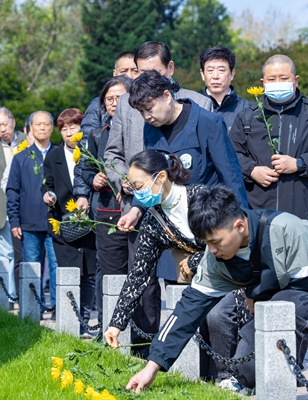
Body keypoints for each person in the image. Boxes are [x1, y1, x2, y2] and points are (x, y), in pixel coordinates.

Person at [122, 185, 308, 393]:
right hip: (269, 309)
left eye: (215, 242)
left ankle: (285, 380)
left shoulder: (289, 230)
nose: (210, 251)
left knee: (285, 304)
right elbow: (186, 311)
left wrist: (255, 295)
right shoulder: (214, 259)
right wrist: (151, 368)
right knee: (247, 367)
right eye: (206, 244)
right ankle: (242, 379)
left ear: (239, 226)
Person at [102, 41, 213, 348]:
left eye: (153, 72)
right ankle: (142, 346)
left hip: (190, 211)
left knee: (190, 280)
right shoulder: (126, 104)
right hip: (142, 207)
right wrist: (128, 180)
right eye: (139, 73)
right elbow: (112, 152)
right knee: (144, 279)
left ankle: (200, 358)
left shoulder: (198, 105)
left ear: (170, 70)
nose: (144, 81)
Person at [103, 150, 206, 346]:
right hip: (201, 284)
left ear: (161, 177)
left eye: (139, 186)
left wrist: (194, 260)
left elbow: (227, 243)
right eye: (133, 188)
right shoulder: (153, 221)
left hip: (230, 275)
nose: (138, 193)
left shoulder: (199, 197)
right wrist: (116, 325)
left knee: (218, 318)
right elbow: (138, 275)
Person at [229, 54, 308, 223]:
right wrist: (251, 170)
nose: (278, 83)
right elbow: (230, 154)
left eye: (284, 78)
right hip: (256, 218)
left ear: (295, 80)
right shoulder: (247, 117)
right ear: (263, 82)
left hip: (301, 218)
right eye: (272, 79)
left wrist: (299, 164)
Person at [74, 75, 132, 326]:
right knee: (108, 272)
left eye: (119, 97)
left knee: (137, 272)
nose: (114, 102)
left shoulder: (143, 129)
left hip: (138, 209)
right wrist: (93, 179)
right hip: (107, 209)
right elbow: (83, 169)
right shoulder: (97, 135)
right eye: (109, 99)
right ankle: (108, 327)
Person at [43, 108, 97, 337]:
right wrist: (48, 195)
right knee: (69, 272)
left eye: (72, 127)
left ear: (81, 128)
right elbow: (47, 184)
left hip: (92, 223)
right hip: (64, 225)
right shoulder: (53, 157)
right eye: (64, 129)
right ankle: (69, 320)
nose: (68, 132)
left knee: (90, 273)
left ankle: (84, 320)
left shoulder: (91, 151)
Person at [6, 111, 58, 312]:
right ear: (30, 129)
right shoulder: (21, 158)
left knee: (55, 267)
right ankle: (32, 307)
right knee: (31, 267)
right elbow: (12, 191)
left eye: (46, 124)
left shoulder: (59, 154)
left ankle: (55, 307)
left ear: (52, 127)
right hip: (28, 223)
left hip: (54, 222)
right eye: (38, 124)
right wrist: (14, 221)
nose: (43, 128)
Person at [0, 107, 27, 299]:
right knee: (5, 254)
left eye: (4, 124)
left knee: (26, 255)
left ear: (13, 122)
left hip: (27, 207)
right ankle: (9, 296)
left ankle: (28, 295)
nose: (2, 129)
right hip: (1, 208)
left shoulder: (27, 141)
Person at [80, 51, 139, 137]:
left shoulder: (147, 103)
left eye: (135, 71)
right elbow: (86, 141)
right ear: (115, 74)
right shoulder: (98, 105)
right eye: (124, 71)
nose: (129, 76)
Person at [199, 46, 250, 132]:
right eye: (210, 70)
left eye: (221, 70)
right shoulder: (193, 108)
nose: (215, 76)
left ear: (232, 74)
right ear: (202, 74)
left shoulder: (247, 109)